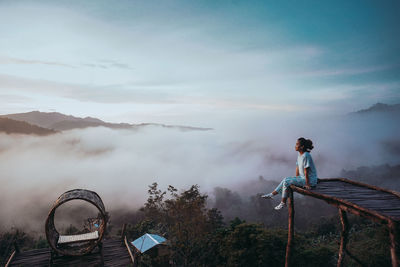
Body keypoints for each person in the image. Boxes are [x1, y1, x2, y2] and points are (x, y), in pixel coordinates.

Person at [261, 137, 318, 210]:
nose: (295, 146)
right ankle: (272, 194)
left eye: (297, 144)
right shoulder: (299, 155)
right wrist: (296, 179)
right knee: (286, 179)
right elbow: (297, 167)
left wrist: (307, 185)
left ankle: (283, 203)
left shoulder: (306, 155)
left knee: (287, 181)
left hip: (310, 180)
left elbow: (306, 171)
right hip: (302, 178)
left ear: (302, 147)